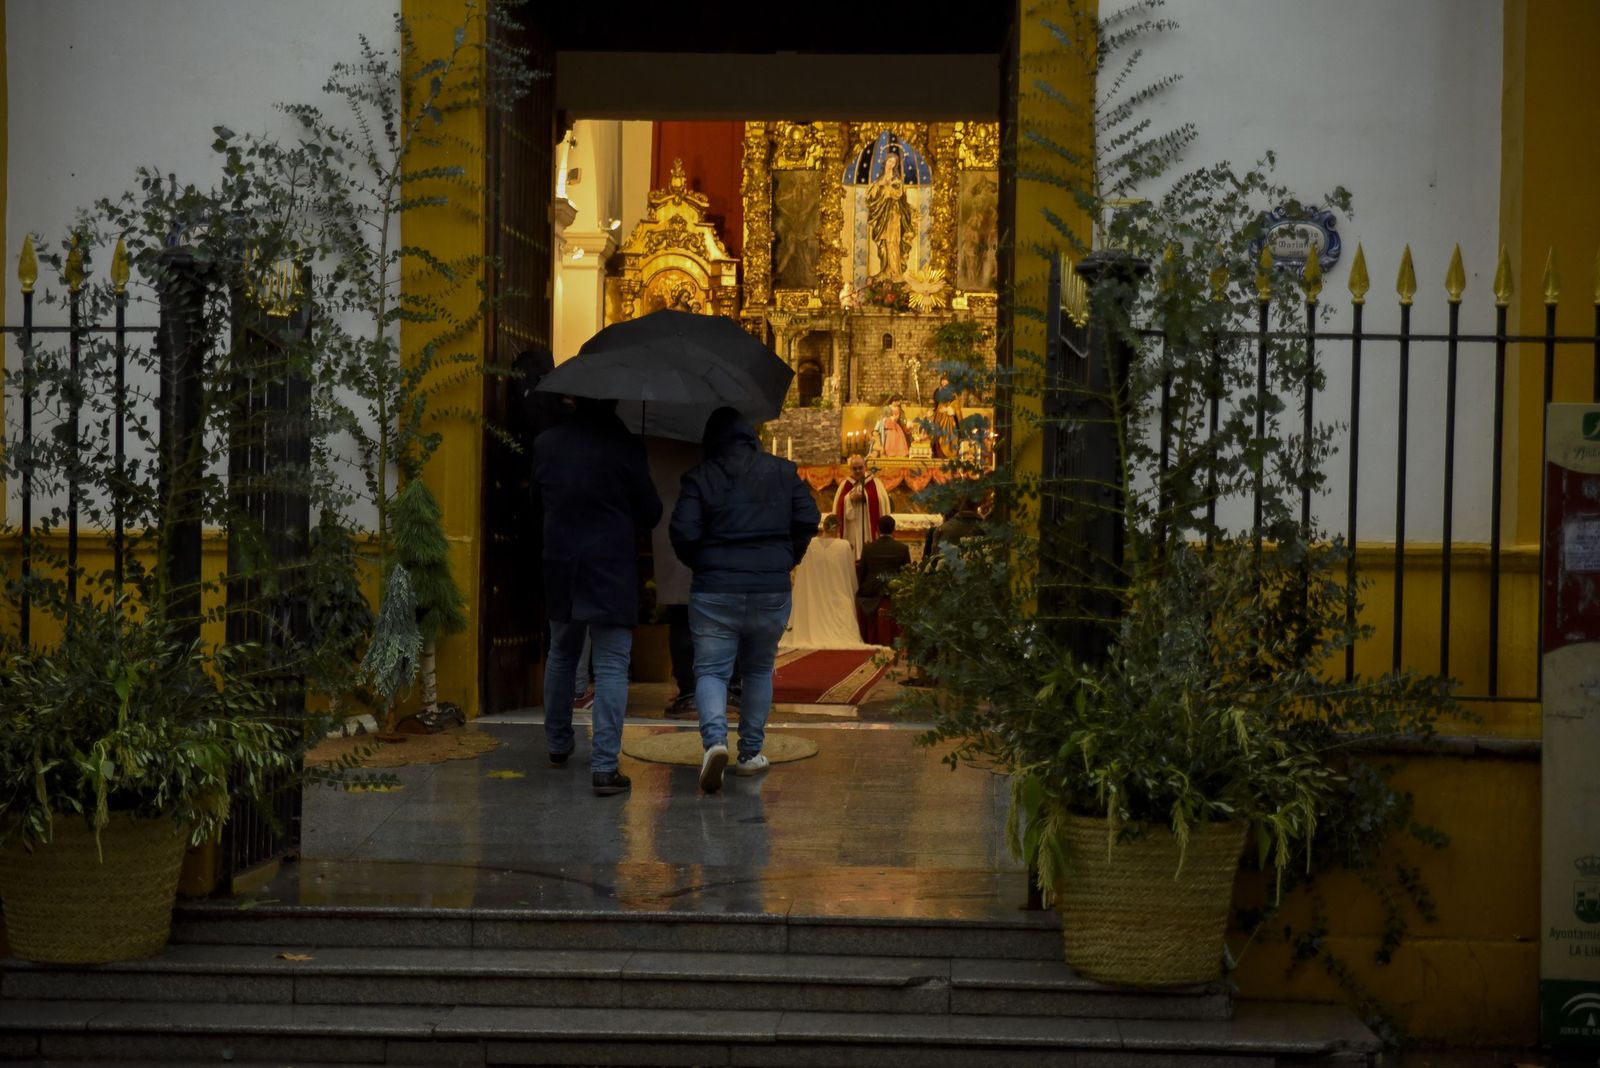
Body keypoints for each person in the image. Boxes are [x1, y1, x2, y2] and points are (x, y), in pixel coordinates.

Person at [671, 407, 820, 793]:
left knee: (711, 671)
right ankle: (751, 754)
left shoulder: (699, 476)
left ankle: (715, 743)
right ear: (751, 436)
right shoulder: (783, 472)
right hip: (770, 587)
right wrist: (787, 558)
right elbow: (808, 517)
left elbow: (683, 531)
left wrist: (702, 562)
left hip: (715, 589)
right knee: (757, 670)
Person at [534, 396, 662, 797]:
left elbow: (535, 500)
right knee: (611, 665)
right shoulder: (625, 445)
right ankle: (605, 767)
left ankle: (557, 744)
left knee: (561, 652)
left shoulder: (548, 442)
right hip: (610, 566)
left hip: (561, 562)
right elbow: (651, 512)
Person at [646, 438, 703, 719]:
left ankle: (688, 688)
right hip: (705, 542)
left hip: (668, 538)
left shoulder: (654, 443)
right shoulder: (708, 444)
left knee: (680, 617)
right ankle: (714, 687)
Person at [782, 514, 871, 650]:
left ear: (823, 527)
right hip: (837, 593)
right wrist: (853, 592)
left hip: (812, 598)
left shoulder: (809, 544)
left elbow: (803, 574)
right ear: (838, 528)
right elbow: (849, 573)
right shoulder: (844, 545)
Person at [856, 515, 912, 646]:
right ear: (894, 529)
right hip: (894, 589)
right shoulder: (902, 548)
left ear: (877, 529)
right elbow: (907, 573)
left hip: (871, 590)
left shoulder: (868, 548)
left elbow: (862, 573)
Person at [832, 455, 892, 560]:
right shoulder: (845, 484)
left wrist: (865, 497)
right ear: (850, 469)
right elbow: (838, 503)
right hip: (851, 525)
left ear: (865, 467)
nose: (858, 471)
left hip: (867, 524)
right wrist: (848, 498)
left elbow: (882, 500)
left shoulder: (875, 482)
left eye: (860, 467)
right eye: (854, 468)